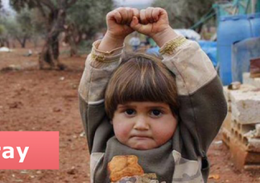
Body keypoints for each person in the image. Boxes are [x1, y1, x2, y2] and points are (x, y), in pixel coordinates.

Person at [78, 7, 227, 183]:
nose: (141, 125)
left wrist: (163, 34)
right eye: (129, 112)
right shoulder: (102, 142)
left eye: (156, 112)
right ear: (111, 116)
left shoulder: (188, 143)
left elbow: (206, 92)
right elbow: (93, 90)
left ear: (178, 116)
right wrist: (113, 38)